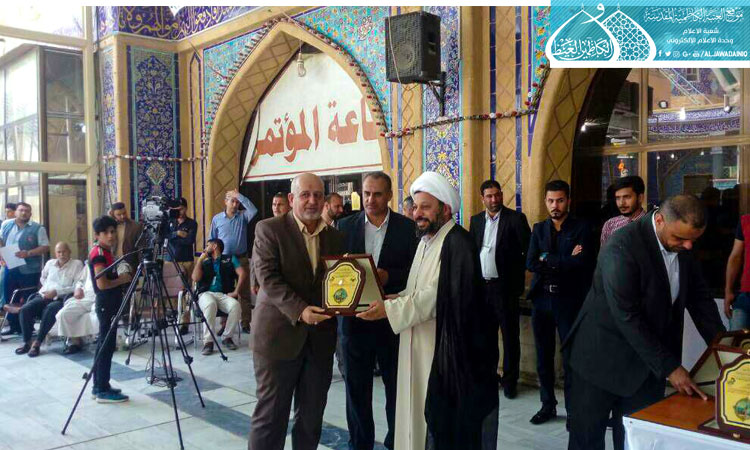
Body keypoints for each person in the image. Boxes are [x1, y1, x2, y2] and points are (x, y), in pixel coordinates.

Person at [566, 195, 726, 450]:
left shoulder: (684, 245)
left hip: (646, 368)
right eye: (680, 238)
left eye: (693, 240)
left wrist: (723, 348)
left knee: (638, 441)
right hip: (599, 361)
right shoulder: (622, 246)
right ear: (660, 220)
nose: (688, 246)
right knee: (587, 440)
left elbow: (700, 300)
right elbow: (627, 316)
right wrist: (671, 368)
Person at [358, 171, 498, 450]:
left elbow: (438, 297)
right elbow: (417, 289)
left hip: (440, 349)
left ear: (445, 209)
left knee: (436, 422)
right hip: (417, 340)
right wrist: (394, 298)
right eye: (415, 207)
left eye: (425, 207)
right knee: (414, 409)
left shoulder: (457, 243)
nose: (417, 213)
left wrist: (389, 309)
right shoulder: (426, 241)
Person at [249, 173, 343, 450]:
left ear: (324, 200)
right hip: (277, 338)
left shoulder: (336, 238)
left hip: (320, 340)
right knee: (270, 418)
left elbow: (341, 280)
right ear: (292, 199)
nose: (312, 200)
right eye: (305, 194)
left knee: (311, 419)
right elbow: (268, 278)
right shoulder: (269, 229)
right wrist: (301, 311)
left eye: (318, 195)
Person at [337, 171, 418, 450]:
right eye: (366, 193)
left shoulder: (408, 229)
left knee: (396, 389)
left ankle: (397, 441)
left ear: (390, 196)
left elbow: (416, 273)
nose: (370, 199)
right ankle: (360, 444)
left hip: (391, 320)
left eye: (377, 194)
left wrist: (388, 276)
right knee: (356, 391)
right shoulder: (344, 227)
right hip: (354, 322)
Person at [526, 180, 594, 427]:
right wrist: (563, 259)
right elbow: (531, 263)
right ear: (546, 201)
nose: (555, 206)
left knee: (571, 359)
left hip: (569, 301)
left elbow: (582, 263)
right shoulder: (539, 229)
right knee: (543, 357)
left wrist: (548, 258)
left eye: (560, 200)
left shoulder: (582, 228)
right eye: (551, 201)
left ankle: (574, 410)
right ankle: (548, 405)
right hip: (542, 300)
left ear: (568, 201)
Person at [469, 180, 530, 400]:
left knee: (510, 337)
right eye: (489, 196)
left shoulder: (515, 219)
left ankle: (510, 381)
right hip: (482, 288)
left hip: (505, 289)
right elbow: (472, 250)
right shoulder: (476, 221)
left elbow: (528, 250)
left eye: (497, 195)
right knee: (486, 336)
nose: (494, 200)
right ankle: (490, 377)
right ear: (482, 198)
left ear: (502, 195)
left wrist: (517, 278)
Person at [89, 215, 132, 403]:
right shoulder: (99, 253)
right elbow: (102, 283)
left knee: (105, 345)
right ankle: (101, 389)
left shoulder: (106, 251)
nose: (111, 235)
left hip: (111, 303)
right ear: (97, 235)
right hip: (106, 303)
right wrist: (122, 279)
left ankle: (101, 385)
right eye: (105, 232)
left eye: (113, 231)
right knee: (105, 346)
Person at [15, 242, 82, 357]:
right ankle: (27, 342)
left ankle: (37, 343)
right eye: (59, 252)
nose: (61, 254)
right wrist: (47, 287)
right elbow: (43, 277)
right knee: (25, 309)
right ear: (55, 253)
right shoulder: (50, 263)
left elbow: (77, 286)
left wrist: (56, 291)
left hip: (61, 298)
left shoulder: (76, 264)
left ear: (69, 252)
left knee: (50, 309)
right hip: (43, 296)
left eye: (64, 251)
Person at [209, 189, 258, 333]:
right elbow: (212, 239)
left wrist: (239, 196)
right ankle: (224, 324)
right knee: (224, 292)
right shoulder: (217, 219)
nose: (235, 204)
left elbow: (253, 210)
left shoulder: (243, 216)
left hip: (241, 258)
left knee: (244, 293)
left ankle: (245, 323)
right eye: (232, 201)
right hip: (224, 260)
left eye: (237, 202)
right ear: (225, 202)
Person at [0, 202, 50, 336]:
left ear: (30, 213)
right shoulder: (6, 225)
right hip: (10, 266)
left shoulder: (38, 228)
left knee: (28, 298)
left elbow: (45, 247)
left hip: (29, 269)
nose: (23, 213)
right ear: (15, 212)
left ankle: (27, 327)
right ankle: (13, 326)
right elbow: (1, 240)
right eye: (21, 210)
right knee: (10, 296)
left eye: (27, 211)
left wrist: (28, 253)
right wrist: (2, 255)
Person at [192, 238, 242, 355]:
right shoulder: (205, 261)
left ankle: (227, 337)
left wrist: (236, 291)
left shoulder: (229, 259)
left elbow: (242, 273)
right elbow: (195, 278)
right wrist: (200, 260)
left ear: (214, 246)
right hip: (206, 293)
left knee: (235, 306)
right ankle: (208, 342)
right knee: (210, 304)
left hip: (223, 294)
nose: (205, 248)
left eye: (207, 245)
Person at [166, 197, 197, 333]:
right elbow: (164, 237)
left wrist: (172, 239)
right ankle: (172, 316)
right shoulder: (169, 221)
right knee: (171, 290)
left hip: (186, 260)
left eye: (182, 209)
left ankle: (185, 322)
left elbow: (189, 241)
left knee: (186, 292)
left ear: (186, 208)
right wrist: (177, 234)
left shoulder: (192, 223)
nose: (180, 212)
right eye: (177, 209)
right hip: (170, 260)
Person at [251, 192, 291, 296]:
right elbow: (256, 256)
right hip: (268, 281)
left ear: (289, 206)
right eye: (274, 204)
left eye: (280, 204)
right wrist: (253, 280)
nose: (276, 208)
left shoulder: (295, 227)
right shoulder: (265, 227)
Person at [56, 261, 98, 354]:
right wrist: (78, 288)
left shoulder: (115, 263)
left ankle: (101, 340)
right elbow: (80, 280)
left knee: (98, 314)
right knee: (63, 314)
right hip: (84, 297)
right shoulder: (88, 265)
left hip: (100, 297)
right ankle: (76, 342)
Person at [600, 176, 646, 246]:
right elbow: (604, 252)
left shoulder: (651, 225)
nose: (621, 203)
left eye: (627, 197)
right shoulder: (610, 225)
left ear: (640, 198)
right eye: (618, 198)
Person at [724, 213, 750, 330]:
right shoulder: (746, 221)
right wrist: (728, 291)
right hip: (745, 296)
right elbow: (735, 257)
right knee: (735, 338)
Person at [109, 202, 143, 270]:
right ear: (113, 214)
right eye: (119, 215)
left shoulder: (136, 226)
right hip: (112, 262)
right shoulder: (110, 226)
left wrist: (141, 265)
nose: (122, 216)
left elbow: (141, 247)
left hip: (129, 263)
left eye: (124, 213)